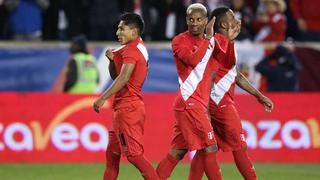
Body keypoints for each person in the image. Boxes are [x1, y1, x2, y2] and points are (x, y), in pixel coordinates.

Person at [191, 7, 274, 180]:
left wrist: (258, 95)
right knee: (239, 148)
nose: (237, 20)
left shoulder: (225, 43)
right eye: (232, 17)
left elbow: (235, 74)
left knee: (205, 150)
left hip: (211, 102)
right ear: (223, 24)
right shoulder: (218, 42)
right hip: (220, 103)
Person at [156, 3, 231, 180]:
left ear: (206, 21)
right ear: (186, 20)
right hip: (188, 102)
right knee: (210, 147)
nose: (194, 23)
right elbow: (192, 60)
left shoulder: (211, 42)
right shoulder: (179, 41)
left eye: (199, 19)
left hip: (197, 104)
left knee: (177, 152)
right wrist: (208, 39)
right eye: (191, 19)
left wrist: (209, 104)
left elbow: (214, 72)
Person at [93, 13, 159, 180]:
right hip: (125, 107)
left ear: (134, 32)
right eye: (118, 28)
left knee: (134, 155)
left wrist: (102, 97)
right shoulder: (138, 47)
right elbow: (118, 76)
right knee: (112, 156)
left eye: (122, 28)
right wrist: (111, 61)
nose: (117, 32)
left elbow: (123, 78)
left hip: (127, 109)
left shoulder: (131, 50)